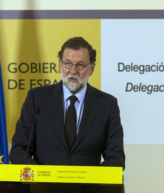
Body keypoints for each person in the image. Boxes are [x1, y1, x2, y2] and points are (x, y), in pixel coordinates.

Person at [9, 37, 125, 169]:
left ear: (91, 68)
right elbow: (19, 150)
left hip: (88, 189)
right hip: (44, 188)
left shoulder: (107, 104)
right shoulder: (37, 99)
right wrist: (41, 176)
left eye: (80, 65)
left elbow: (116, 158)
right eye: (68, 64)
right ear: (60, 65)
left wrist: (91, 180)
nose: (73, 71)